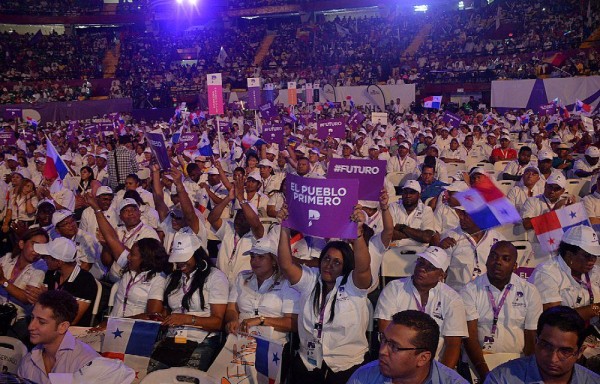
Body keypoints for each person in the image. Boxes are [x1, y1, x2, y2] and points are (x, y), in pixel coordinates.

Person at [277, 205, 372, 384]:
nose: (329, 265)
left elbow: (364, 268)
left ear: (345, 265)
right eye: (326, 259)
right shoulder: (311, 280)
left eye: (337, 262)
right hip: (309, 363)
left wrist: (358, 234)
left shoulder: (354, 285)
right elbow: (286, 265)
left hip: (346, 366)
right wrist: (284, 229)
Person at [461, 241, 543, 381]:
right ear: (486, 261)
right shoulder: (470, 290)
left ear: (515, 266)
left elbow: (531, 336)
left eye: (505, 259)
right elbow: (470, 337)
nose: (497, 262)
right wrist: (486, 376)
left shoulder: (529, 291)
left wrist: (526, 370)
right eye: (493, 257)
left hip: (517, 361)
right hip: (479, 361)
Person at [375, 246, 467, 369]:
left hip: (434, 365)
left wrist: (441, 378)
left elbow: (453, 345)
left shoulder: (452, 299)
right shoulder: (394, 289)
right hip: (396, 362)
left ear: (442, 275)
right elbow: (385, 334)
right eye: (421, 262)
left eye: (431, 267)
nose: (422, 269)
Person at [148, 232, 228, 372]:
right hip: (172, 338)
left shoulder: (215, 277)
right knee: (149, 375)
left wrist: (187, 319)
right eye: (177, 260)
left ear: (197, 254)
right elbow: (169, 309)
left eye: (184, 258)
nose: (180, 263)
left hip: (201, 339)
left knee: (183, 378)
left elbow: (218, 322)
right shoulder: (174, 278)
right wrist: (163, 316)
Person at [484, 306, 600, 383]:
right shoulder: (502, 379)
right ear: (536, 341)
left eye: (565, 351)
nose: (553, 359)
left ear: (579, 352)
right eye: (546, 346)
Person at [347, 310, 468, 384]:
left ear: (423, 358)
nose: (382, 351)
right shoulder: (364, 376)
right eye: (383, 340)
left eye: (394, 347)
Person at [17, 290, 100, 384]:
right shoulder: (28, 361)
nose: (30, 326)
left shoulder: (85, 362)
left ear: (62, 327)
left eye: (42, 322)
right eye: (32, 318)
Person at [528, 226, 600, 322]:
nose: (592, 260)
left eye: (595, 255)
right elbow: (554, 319)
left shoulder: (595, 271)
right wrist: (594, 309)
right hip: (558, 334)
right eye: (587, 255)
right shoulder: (546, 273)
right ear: (569, 255)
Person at [30, 238, 98, 326]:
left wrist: (42, 301)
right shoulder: (51, 274)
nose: (44, 259)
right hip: (48, 325)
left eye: (47, 257)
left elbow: (72, 320)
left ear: (58, 262)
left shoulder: (85, 281)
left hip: (70, 332)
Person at [0, 228, 48, 340]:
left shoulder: (41, 266)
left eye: (41, 248)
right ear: (22, 244)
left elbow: (26, 298)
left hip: (20, 318)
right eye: (34, 245)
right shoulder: (7, 259)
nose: (37, 251)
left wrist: (3, 281)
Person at [110, 237, 168, 318]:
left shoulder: (158, 279)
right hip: (112, 325)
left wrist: (119, 322)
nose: (128, 257)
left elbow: (153, 316)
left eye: (132, 254)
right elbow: (111, 239)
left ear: (145, 259)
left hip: (134, 328)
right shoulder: (128, 269)